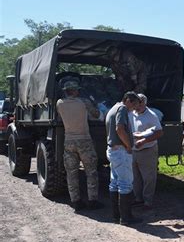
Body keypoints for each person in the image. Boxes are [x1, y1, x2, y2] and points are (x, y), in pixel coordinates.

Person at [56, 80, 102, 212]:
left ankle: (76, 201)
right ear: (75, 90)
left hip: (69, 141)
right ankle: (92, 200)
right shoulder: (84, 102)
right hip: (84, 140)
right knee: (91, 172)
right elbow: (97, 114)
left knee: (71, 173)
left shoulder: (59, 103)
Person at [106, 91, 141, 225]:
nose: (134, 109)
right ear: (128, 101)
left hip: (112, 150)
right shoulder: (122, 109)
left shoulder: (112, 109)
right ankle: (126, 218)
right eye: (134, 105)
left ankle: (116, 216)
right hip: (120, 151)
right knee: (125, 184)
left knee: (114, 183)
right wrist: (128, 146)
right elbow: (120, 129)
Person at [130, 94, 164, 209]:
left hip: (147, 150)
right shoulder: (132, 114)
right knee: (135, 177)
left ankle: (147, 201)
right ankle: (137, 198)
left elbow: (159, 132)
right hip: (134, 150)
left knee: (148, 178)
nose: (137, 106)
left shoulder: (151, 115)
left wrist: (144, 141)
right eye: (135, 103)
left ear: (144, 103)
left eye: (139, 103)